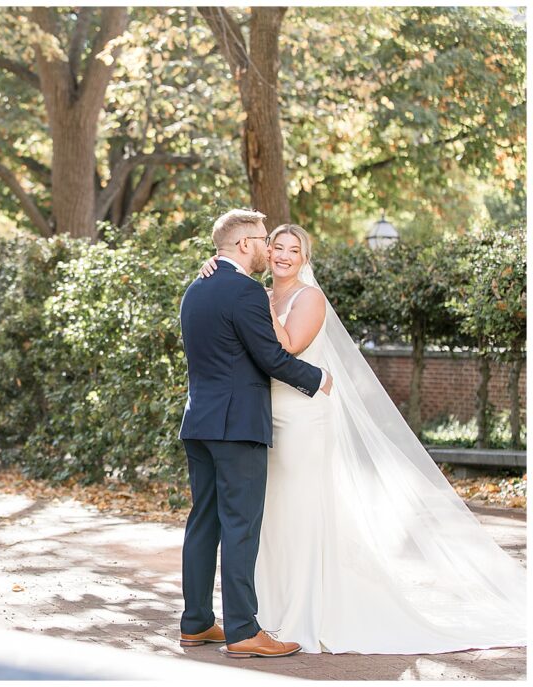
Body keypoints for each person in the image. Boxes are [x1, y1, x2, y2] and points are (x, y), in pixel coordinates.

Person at [194, 222, 526, 654]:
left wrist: (243, 292)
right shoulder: (251, 292)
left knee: (299, 511)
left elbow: (287, 346)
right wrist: (224, 275)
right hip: (258, 416)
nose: (282, 255)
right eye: (275, 246)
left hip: (300, 418)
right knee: (266, 518)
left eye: (293, 250)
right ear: (261, 250)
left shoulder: (305, 298)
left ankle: (304, 609)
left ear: (305, 259)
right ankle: (263, 611)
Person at [177, 209, 333, 659]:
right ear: (245, 245)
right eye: (265, 240)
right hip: (237, 425)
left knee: (203, 522)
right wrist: (316, 378)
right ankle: (243, 630)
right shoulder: (246, 291)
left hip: (200, 422)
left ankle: (196, 623)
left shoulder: (196, 289)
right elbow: (270, 356)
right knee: (241, 527)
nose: (270, 248)